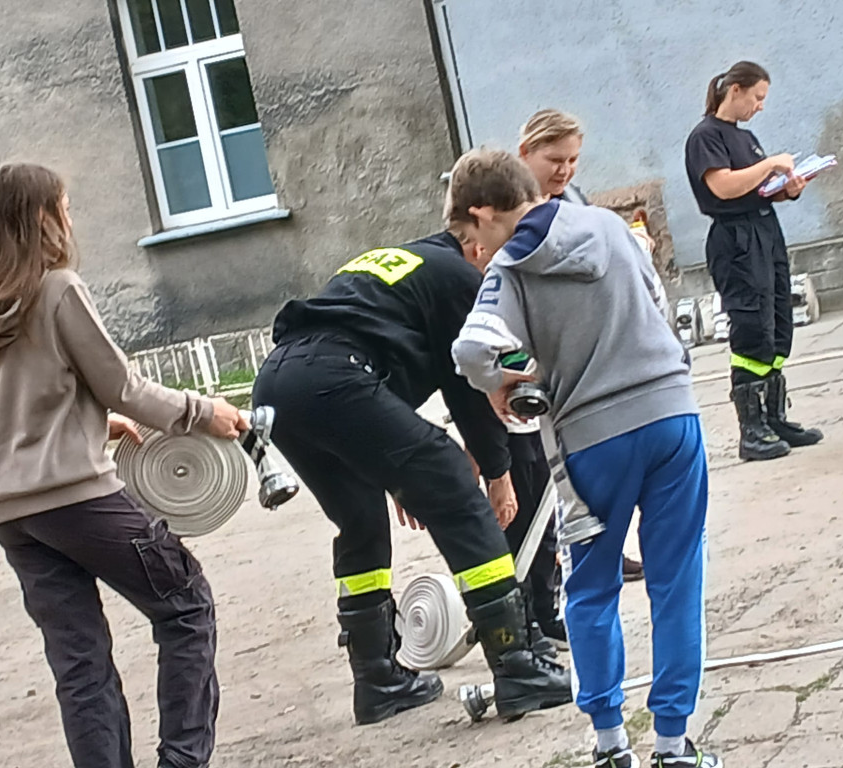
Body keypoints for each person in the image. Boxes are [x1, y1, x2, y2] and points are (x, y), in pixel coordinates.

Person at [0, 163, 247, 768]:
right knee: (187, 604)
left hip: (9, 513)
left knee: (79, 664)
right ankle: (184, 760)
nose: (71, 217)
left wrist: (85, 420)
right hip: (75, 499)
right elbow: (123, 386)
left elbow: (10, 397)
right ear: (43, 216)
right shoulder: (56, 287)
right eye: (65, 205)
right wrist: (202, 411)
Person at [252, 205, 573, 726]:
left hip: (279, 385)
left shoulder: (398, 260)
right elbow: (466, 384)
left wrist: (398, 473)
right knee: (452, 484)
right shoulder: (458, 276)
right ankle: (517, 664)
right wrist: (495, 472)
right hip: (337, 378)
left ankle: (378, 681)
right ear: (476, 247)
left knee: (359, 521)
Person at [450, 149, 719, 768]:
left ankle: (608, 744)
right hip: (673, 417)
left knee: (591, 589)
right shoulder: (609, 226)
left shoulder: (512, 265)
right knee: (677, 582)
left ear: (486, 213)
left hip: (595, 441)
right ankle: (675, 747)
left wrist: (505, 383)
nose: (478, 251)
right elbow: (654, 297)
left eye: (473, 237)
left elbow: (471, 350)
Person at [519, 109, 646, 586]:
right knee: (548, 467)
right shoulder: (512, 203)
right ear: (525, 154)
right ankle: (553, 565)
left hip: (591, 347)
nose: (565, 170)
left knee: (602, 460)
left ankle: (609, 545)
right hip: (544, 348)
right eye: (554, 159)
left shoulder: (572, 197)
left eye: (572, 160)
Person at [685, 61, 822, 461]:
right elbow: (723, 186)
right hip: (735, 238)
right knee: (751, 324)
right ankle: (752, 429)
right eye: (758, 97)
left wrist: (789, 189)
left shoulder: (745, 138)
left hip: (765, 230)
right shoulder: (705, 137)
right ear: (736, 91)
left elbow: (759, 190)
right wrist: (770, 164)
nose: (760, 107)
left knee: (778, 320)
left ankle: (775, 416)